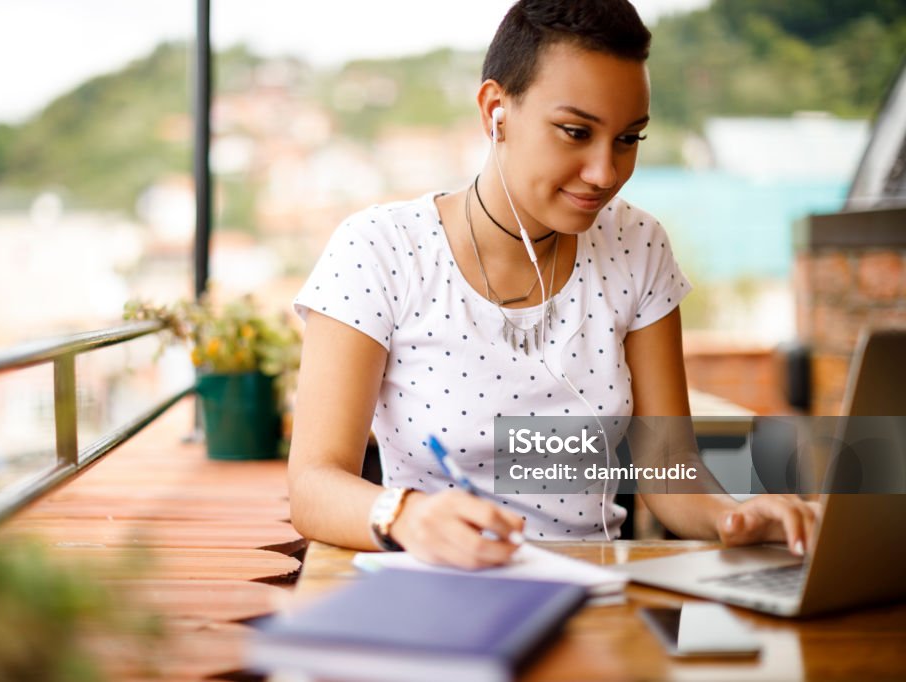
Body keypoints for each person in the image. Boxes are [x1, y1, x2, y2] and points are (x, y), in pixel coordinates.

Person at [287, 0, 819, 570]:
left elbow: (669, 465)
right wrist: (408, 516)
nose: (604, 173)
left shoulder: (638, 245)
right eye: (575, 132)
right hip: (439, 593)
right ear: (496, 110)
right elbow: (314, 485)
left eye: (628, 139)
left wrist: (731, 516)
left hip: (599, 599)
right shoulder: (380, 249)